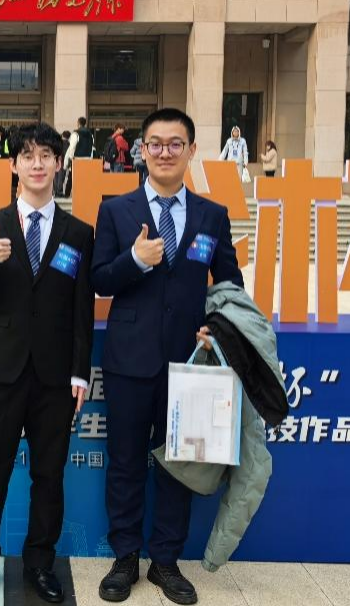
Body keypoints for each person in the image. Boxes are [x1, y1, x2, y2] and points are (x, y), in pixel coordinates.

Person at [91, 108, 243, 606]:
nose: (164, 152)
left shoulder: (212, 215)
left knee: (180, 464)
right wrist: (135, 261)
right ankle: (125, 558)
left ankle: (165, 561)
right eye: (155, 143)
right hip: (129, 359)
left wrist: (216, 327)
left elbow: (230, 285)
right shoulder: (116, 211)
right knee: (126, 461)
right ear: (141, 150)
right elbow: (99, 279)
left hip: (190, 362)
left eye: (175, 144)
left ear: (191, 151)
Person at [0, 123, 94, 605]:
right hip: (1, 371)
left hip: (55, 378)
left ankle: (39, 563)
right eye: (28, 156)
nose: (37, 164)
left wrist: (80, 372)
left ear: (58, 164)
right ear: (13, 165)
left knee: (49, 476)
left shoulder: (79, 233)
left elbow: (82, 310)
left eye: (46, 155)